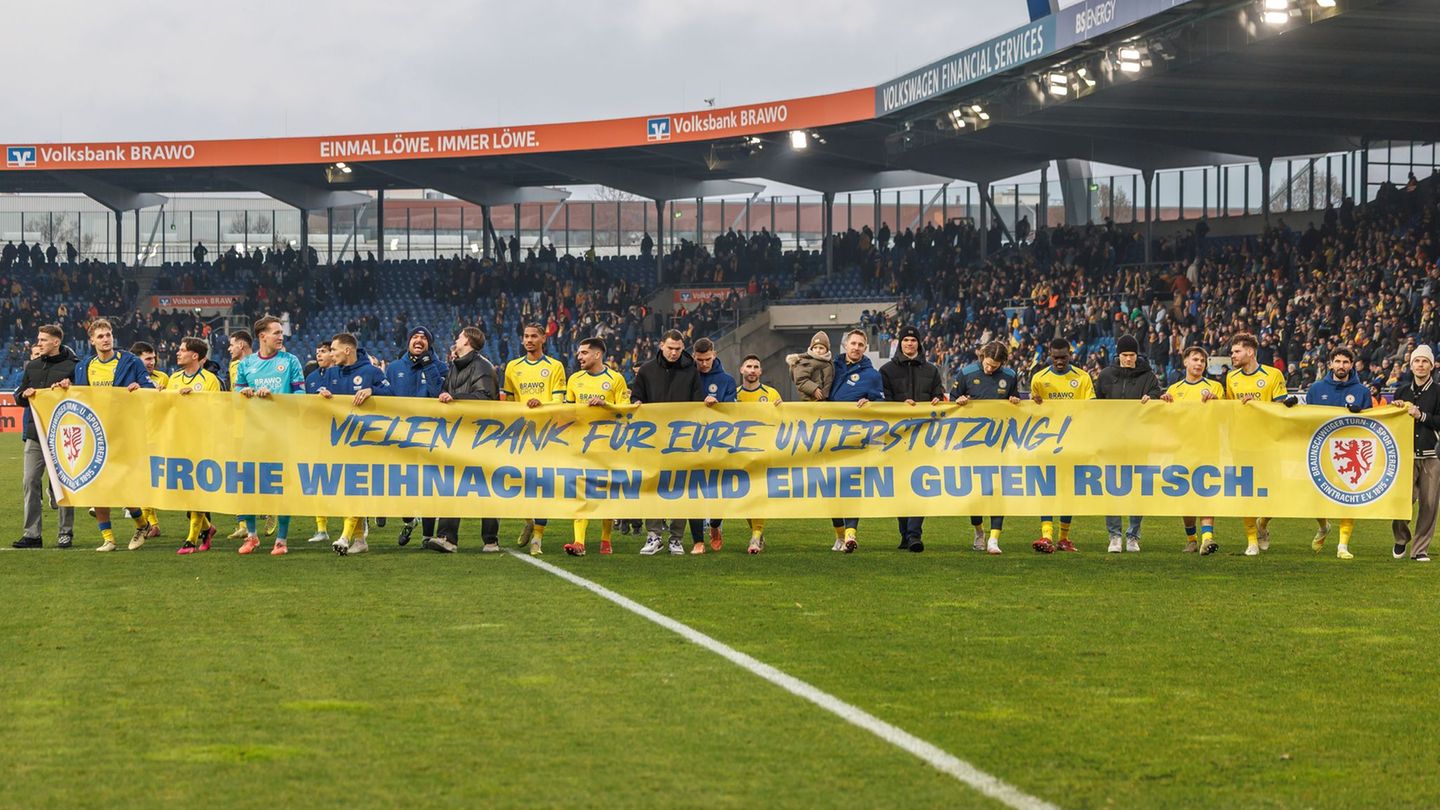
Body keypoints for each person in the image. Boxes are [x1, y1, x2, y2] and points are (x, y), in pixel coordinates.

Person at [55, 318, 153, 552]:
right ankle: (108, 538)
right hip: (95, 432)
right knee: (96, 486)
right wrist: (65, 386)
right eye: (100, 336)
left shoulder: (130, 361)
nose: (106, 339)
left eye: (108, 334)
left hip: (124, 431)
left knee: (123, 485)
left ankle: (141, 525)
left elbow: (149, 388)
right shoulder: (84, 366)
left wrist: (140, 389)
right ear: (92, 341)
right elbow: (79, 395)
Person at [233, 315, 306, 556]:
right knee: (249, 485)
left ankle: (281, 540)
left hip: (282, 435)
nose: (280, 336)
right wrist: (244, 392)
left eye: (281, 332)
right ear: (262, 336)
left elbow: (301, 397)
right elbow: (235, 397)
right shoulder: (246, 364)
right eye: (275, 332)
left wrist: (273, 395)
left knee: (283, 487)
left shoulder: (291, 361)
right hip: (253, 434)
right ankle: (252, 536)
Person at [1224, 332, 1297, 557]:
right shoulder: (1231, 378)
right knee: (1245, 492)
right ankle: (1251, 540)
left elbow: (1280, 409)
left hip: (1268, 442)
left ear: (1250, 351)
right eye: (1232, 351)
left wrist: (1256, 405)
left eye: (1236, 351)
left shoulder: (1273, 375)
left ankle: (1262, 524)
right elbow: (1229, 409)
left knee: (1275, 492)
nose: (1232, 355)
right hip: (1242, 442)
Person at [319, 333, 393, 555]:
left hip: (365, 442)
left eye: (334, 349)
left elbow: (391, 393)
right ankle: (359, 539)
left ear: (347, 350)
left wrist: (372, 390)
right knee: (345, 490)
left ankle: (345, 537)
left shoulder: (370, 371)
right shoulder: (331, 373)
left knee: (356, 488)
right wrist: (321, 395)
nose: (331, 354)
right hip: (338, 441)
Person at [632, 329, 703, 556]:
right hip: (653, 441)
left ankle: (676, 539)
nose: (673, 353)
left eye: (678, 349)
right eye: (670, 348)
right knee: (653, 486)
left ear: (683, 348)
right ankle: (653, 535)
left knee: (680, 489)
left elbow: (698, 403)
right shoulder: (646, 370)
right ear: (661, 345)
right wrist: (635, 403)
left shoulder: (691, 371)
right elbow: (636, 398)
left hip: (681, 440)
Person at [501, 323, 568, 555]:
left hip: (547, 435)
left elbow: (560, 402)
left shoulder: (555, 366)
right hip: (521, 436)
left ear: (543, 339)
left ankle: (538, 536)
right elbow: (506, 403)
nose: (529, 340)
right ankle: (528, 520)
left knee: (544, 485)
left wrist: (542, 405)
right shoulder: (513, 367)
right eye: (526, 336)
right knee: (519, 483)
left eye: (534, 336)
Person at [433, 326, 501, 553]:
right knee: (451, 485)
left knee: (485, 487)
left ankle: (491, 539)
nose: (455, 339)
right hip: (457, 436)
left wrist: (455, 398)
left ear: (469, 341)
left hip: (480, 437)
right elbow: (445, 394)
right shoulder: (454, 367)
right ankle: (447, 538)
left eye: (459, 337)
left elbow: (485, 398)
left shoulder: (483, 366)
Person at [1094, 334, 1164, 553]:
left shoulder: (1149, 377)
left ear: (1137, 355)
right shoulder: (1105, 375)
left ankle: (1133, 535)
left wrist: (1151, 400)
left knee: (1136, 488)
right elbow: (1094, 405)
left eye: (1131, 355)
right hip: (1111, 439)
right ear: (1118, 355)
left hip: (1139, 441)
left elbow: (1158, 400)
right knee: (1112, 488)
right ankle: (1114, 536)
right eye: (1124, 355)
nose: (1128, 359)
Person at [1304, 346, 1374, 560]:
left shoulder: (1362, 392)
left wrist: (1362, 414)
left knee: (1348, 497)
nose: (1341, 366)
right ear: (1331, 364)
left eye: (1346, 362)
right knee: (1316, 496)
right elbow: (1305, 420)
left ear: (1352, 365)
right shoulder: (1315, 389)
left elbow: (1371, 424)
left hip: (1348, 451)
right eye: (1338, 361)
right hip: (1320, 452)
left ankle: (1343, 545)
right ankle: (1324, 526)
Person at [562, 337, 630, 557]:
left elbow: (625, 411)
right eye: (579, 353)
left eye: (583, 353)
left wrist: (605, 405)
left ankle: (605, 539)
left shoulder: (616, 379)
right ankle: (579, 541)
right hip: (580, 445)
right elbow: (568, 411)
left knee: (605, 492)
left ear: (597, 354)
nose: (579, 357)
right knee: (580, 492)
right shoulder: (574, 379)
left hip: (608, 445)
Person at [880, 325, 945, 552]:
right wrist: (898, 406)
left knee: (920, 485)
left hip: (925, 439)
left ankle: (915, 535)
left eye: (913, 340)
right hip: (897, 439)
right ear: (900, 343)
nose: (909, 343)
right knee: (900, 487)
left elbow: (939, 394)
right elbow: (883, 402)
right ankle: (905, 534)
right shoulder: (887, 370)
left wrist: (938, 400)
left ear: (919, 343)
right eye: (906, 340)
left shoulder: (931, 370)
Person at [13, 324, 78, 549]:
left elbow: (82, 396)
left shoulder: (73, 366)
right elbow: (18, 397)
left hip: (62, 434)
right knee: (30, 481)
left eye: (43, 339)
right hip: (35, 433)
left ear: (56, 342)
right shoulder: (32, 365)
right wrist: (24, 394)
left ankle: (65, 533)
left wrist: (71, 386)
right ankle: (32, 535)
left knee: (63, 484)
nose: (39, 342)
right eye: (39, 339)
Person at [953, 341, 1020, 555]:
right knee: (975, 493)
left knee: (998, 492)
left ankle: (994, 538)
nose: (989, 369)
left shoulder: (1009, 376)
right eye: (988, 364)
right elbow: (952, 401)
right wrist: (959, 400)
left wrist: (1014, 400)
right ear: (982, 356)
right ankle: (979, 531)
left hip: (999, 445)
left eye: (994, 366)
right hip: (971, 444)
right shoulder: (966, 373)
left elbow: (1016, 402)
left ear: (1003, 363)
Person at [1029, 338, 1095, 553]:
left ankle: (1064, 538)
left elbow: (1091, 408)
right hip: (1047, 442)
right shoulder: (1039, 379)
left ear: (1070, 355)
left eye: (1063, 357)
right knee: (1048, 487)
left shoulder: (1082, 378)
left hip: (1074, 442)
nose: (1059, 361)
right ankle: (1046, 536)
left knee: (1068, 490)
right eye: (1055, 357)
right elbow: (1033, 411)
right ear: (1050, 354)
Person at [386, 326, 449, 549]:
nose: (419, 340)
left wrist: (428, 366)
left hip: (431, 435)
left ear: (430, 345)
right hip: (399, 437)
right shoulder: (393, 368)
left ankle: (427, 535)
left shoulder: (440, 367)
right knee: (400, 485)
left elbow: (437, 392)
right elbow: (385, 398)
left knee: (429, 485)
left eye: (424, 338)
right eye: (415, 337)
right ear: (408, 342)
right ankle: (410, 520)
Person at [1160, 346, 1223, 555]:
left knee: (1206, 491)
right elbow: (1166, 421)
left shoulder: (1215, 387)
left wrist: (1216, 403)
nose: (1199, 364)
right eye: (1195, 360)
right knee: (1186, 495)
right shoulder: (1174, 389)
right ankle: (1192, 539)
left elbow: (1226, 413)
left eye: (1202, 361)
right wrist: (1163, 404)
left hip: (1207, 447)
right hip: (1182, 448)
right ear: (1185, 362)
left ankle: (1207, 538)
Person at [165, 337, 224, 554]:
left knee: (195, 489)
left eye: (182, 350)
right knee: (182, 491)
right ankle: (208, 529)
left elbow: (217, 410)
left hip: (202, 441)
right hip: (179, 439)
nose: (178, 353)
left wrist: (197, 399)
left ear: (195, 356)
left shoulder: (210, 380)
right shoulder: (174, 378)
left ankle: (190, 539)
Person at [829, 328, 884, 552]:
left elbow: (881, 403)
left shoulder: (872, 375)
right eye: (853, 343)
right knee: (831, 488)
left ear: (865, 348)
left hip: (856, 439)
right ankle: (839, 535)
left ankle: (851, 534)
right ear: (845, 345)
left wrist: (870, 402)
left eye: (861, 345)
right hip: (829, 436)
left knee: (852, 486)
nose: (856, 348)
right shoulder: (831, 367)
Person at [1392, 344, 1440, 563]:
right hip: (1405, 454)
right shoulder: (1402, 390)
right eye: (1417, 361)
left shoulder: (1438, 391)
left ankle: (1419, 550)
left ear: (1432, 365)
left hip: (1432, 455)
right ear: (1410, 366)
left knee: (1429, 505)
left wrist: (1421, 415)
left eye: (1424, 361)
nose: (1420, 365)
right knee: (1403, 500)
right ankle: (1401, 538)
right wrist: (1396, 409)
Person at [688, 337, 736, 554]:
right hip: (690, 442)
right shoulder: (688, 376)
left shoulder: (726, 380)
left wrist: (718, 407)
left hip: (718, 443)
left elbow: (734, 412)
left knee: (719, 490)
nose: (704, 364)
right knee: (692, 491)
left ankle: (716, 525)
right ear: (693, 357)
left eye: (707, 359)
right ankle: (698, 541)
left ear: (714, 355)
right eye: (699, 360)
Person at [736, 354, 782, 554]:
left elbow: (782, 420)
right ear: (741, 370)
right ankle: (757, 532)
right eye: (749, 366)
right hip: (740, 452)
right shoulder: (734, 395)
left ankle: (756, 535)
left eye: (756, 366)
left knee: (759, 494)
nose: (752, 370)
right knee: (745, 497)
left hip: (764, 451)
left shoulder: (771, 394)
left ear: (761, 371)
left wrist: (782, 410)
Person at [127, 341, 171, 540]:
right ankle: (152, 523)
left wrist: (163, 394)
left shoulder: (163, 378)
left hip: (158, 432)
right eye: (148, 358)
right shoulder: (128, 377)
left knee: (158, 479)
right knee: (142, 479)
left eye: (153, 358)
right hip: (136, 432)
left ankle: (202, 525)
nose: (152, 362)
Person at [224, 329, 260, 541]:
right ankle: (244, 523)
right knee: (238, 473)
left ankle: (268, 510)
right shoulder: (233, 365)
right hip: (238, 424)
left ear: (243, 346)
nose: (229, 348)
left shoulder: (255, 365)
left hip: (255, 424)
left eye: (232, 344)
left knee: (253, 471)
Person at [304, 340, 335, 544]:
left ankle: (358, 525)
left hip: (341, 435)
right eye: (317, 352)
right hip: (318, 435)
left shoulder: (342, 374)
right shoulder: (312, 377)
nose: (319, 355)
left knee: (344, 482)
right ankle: (321, 528)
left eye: (323, 351)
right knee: (318, 480)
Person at [786, 331, 834, 402]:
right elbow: (800, 380)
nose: (818, 350)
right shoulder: (805, 361)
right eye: (815, 347)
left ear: (827, 349)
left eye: (821, 348)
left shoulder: (829, 362)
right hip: (810, 400)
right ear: (811, 348)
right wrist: (813, 389)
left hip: (823, 401)